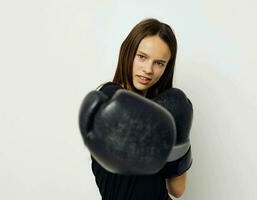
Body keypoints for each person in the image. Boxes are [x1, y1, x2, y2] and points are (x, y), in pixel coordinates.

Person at [79, 18, 193, 200]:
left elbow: (177, 190)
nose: (148, 69)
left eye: (159, 63)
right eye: (142, 57)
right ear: (128, 52)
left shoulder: (167, 114)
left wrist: (181, 136)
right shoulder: (109, 97)